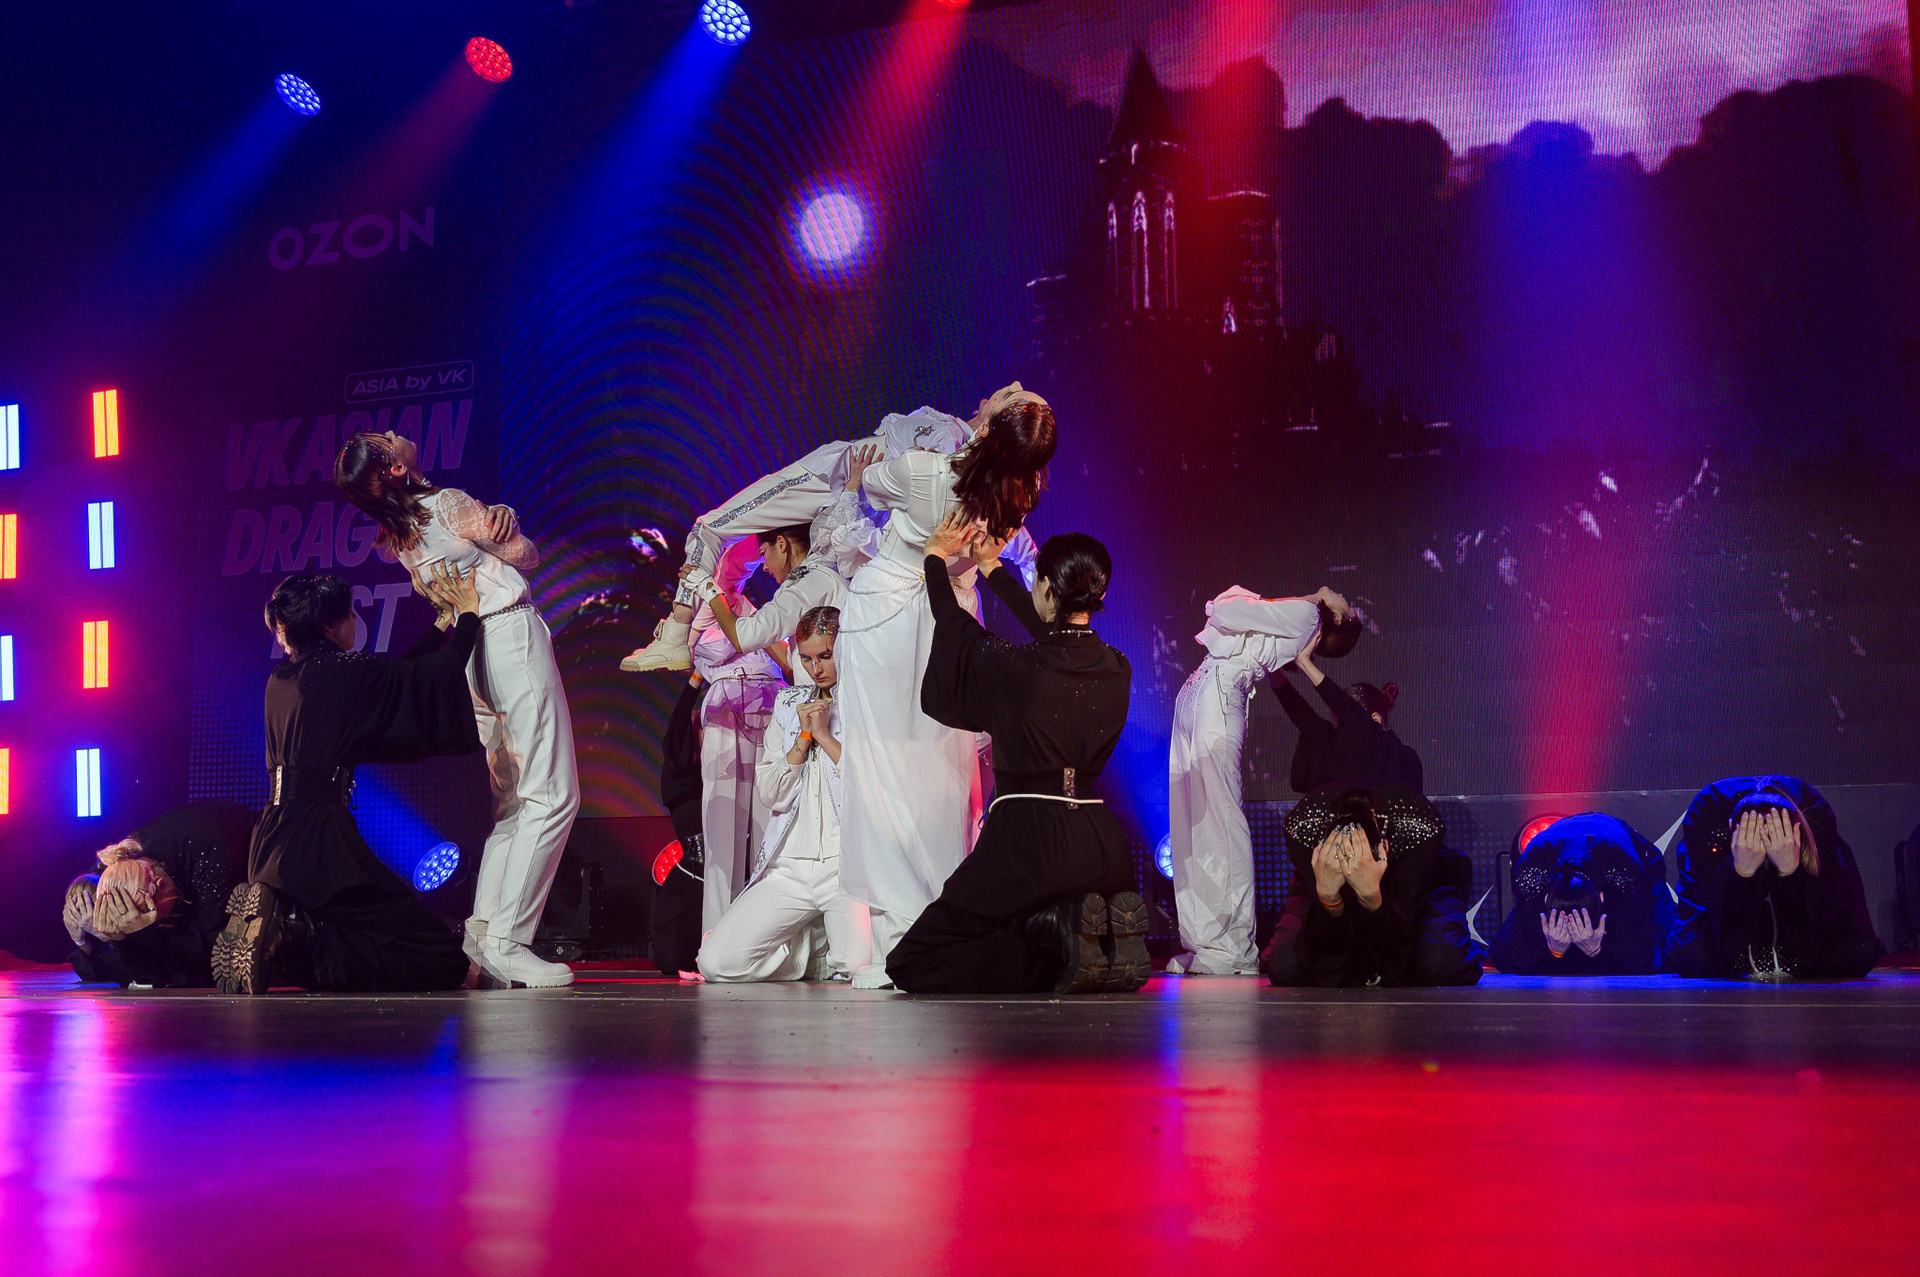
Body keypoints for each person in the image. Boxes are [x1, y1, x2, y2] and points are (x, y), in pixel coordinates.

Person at [336, 430, 580, 988]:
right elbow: (526, 556)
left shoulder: (401, 535)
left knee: (514, 799)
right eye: (387, 439)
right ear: (396, 468)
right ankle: (510, 941)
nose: (397, 434)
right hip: (509, 634)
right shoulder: (445, 503)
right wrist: (506, 523)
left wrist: (497, 522)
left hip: (475, 652)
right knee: (552, 793)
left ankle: (483, 936)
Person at [837, 384, 1058, 988]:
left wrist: (855, 483)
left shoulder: (923, 469)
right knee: (944, 778)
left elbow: (865, 484)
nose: (1002, 388)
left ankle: (900, 943)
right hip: (950, 622)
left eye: (1008, 394)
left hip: (887, 617)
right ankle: (944, 927)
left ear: (989, 427)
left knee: (882, 776)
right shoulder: (1018, 494)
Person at [885, 516, 1146, 994]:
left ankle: (1055, 939)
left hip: (1030, 841)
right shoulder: (1118, 667)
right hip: (1102, 847)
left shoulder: (1017, 669)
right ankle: (1082, 933)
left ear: (1044, 587)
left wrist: (934, 561)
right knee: (1007, 920)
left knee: (912, 961)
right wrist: (992, 568)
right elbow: (1057, 642)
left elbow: (958, 629)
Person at [213, 567, 484, 994]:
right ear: (329, 625)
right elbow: (428, 675)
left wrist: (440, 624)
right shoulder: (343, 672)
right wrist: (468, 616)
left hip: (273, 844)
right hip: (319, 842)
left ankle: (289, 935)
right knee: (437, 952)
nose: (356, 621)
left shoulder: (282, 680)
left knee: (361, 930)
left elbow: (393, 677)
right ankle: (293, 935)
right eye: (350, 613)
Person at [621, 405, 976, 672]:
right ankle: (679, 637)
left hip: (826, 476)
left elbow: (747, 635)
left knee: (708, 528)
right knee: (731, 559)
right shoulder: (952, 445)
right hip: (845, 492)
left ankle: (676, 634)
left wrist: (709, 593)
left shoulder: (952, 442)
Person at [1167, 586, 1364, 975]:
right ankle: (1203, 942)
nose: (1344, 594)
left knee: (1221, 821)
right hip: (1198, 691)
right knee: (1190, 823)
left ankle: (1233, 948)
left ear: (1340, 618)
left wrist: (1313, 598)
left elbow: (1222, 609)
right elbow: (1225, 608)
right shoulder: (1301, 614)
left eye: (1349, 603)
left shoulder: (1308, 616)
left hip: (1219, 694)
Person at [699, 607, 872, 982]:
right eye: (807, 659)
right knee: (715, 963)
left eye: (825, 656)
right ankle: (808, 955)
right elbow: (771, 793)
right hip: (789, 868)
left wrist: (825, 735)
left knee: (859, 967)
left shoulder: (868, 703)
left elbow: (871, 788)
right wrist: (804, 738)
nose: (816, 669)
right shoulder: (788, 704)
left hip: (846, 868)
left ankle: (831, 947)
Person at [672, 446, 882, 667]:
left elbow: (743, 637)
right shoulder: (817, 573)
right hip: (819, 688)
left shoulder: (810, 581)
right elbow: (790, 663)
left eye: (763, 554)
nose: (764, 567)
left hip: (838, 688)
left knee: (707, 526)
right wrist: (747, 612)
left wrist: (709, 589)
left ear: (781, 544)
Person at [1264, 784, 1483, 987]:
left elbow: (1399, 949)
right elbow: (1324, 958)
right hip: (1326, 876)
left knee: (1440, 963)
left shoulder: (1419, 825)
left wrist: (1372, 898)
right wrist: (1328, 897)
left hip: (1413, 875)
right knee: (1286, 966)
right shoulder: (1303, 826)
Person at [1666, 776, 1883, 980]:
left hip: (1804, 911)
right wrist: (1742, 873)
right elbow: (1711, 917)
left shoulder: (1817, 823)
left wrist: (1790, 872)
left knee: (1853, 954)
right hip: (1728, 908)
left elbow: (1829, 917)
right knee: (1692, 956)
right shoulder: (1709, 823)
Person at [687, 553, 785, 934]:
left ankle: (768, 935)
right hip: (727, 708)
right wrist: (734, 617)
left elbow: (786, 657)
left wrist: (746, 615)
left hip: (771, 706)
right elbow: (709, 651)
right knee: (723, 829)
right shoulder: (703, 622)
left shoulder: (757, 613)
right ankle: (719, 936)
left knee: (770, 825)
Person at [64, 801, 256, 988]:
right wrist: (94, 940)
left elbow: (212, 964)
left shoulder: (207, 856)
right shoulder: (125, 861)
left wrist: (144, 934)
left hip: (254, 855)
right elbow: (131, 976)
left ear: (160, 885)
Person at [1486, 812, 1665, 975]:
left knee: (1666, 945)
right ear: (1546, 899)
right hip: (1551, 849)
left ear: (1602, 898)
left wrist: (1597, 952)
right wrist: (1554, 952)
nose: (1573, 932)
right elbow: (1512, 957)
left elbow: (1642, 959)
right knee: (1507, 948)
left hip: (1622, 853)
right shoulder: (1533, 876)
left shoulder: (1624, 876)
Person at [1272, 653, 1423, 794]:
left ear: (1376, 719)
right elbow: (1302, 715)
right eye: (1340, 724)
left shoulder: (1404, 757)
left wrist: (1304, 662)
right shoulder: (1335, 745)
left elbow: (1350, 712)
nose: (1343, 732)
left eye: (1348, 724)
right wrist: (1271, 670)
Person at [650, 675, 707, 978]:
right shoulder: (681, 781)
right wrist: (695, 681)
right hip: (685, 892)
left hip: (723, 889)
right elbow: (675, 733)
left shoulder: (736, 782)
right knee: (673, 961)